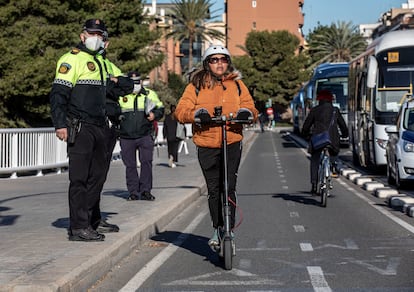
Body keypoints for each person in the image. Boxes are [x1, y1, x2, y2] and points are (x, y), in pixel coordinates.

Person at [50, 19, 132, 241]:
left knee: (97, 177)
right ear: (83, 36)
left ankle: (89, 220)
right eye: (91, 33)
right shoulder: (71, 59)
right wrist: (60, 124)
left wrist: (115, 79)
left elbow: (128, 84)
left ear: (105, 39)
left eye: (99, 34)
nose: (95, 37)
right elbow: (59, 94)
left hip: (100, 126)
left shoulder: (103, 63)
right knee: (79, 178)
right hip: (80, 126)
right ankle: (78, 227)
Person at [175, 44, 258, 247]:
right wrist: (196, 115)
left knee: (229, 186)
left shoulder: (237, 85)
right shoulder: (195, 85)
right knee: (214, 188)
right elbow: (181, 110)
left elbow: (250, 107)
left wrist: (246, 114)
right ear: (207, 63)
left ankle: (229, 227)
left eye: (223, 59)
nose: (219, 63)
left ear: (228, 63)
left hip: (231, 140)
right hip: (207, 142)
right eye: (214, 59)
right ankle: (217, 227)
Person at [118, 71, 164, 201]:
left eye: (137, 81)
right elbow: (113, 110)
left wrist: (154, 115)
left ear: (141, 82)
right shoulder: (121, 96)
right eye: (132, 82)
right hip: (126, 136)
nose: (135, 84)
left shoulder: (149, 94)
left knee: (146, 163)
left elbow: (160, 108)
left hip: (145, 135)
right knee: (130, 165)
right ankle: (133, 192)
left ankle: (145, 191)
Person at [302, 89, 349, 195]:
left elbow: (306, 126)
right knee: (334, 154)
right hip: (332, 140)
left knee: (314, 160)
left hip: (318, 140)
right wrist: (345, 135)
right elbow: (343, 125)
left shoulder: (314, 110)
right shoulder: (335, 110)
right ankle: (333, 167)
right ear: (330, 99)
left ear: (319, 99)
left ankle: (314, 184)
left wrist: (306, 135)